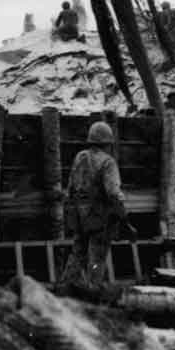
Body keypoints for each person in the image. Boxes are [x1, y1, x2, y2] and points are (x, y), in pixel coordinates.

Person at [59, 122, 137, 292]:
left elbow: (71, 188)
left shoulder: (80, 157)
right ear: (108, 143)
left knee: (77, 254)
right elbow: (113, 194)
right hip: (100, 219)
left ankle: (64, 290)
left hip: (79, 216)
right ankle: (92, 293)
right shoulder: (108, 162)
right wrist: (125, 220)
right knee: (97, 259)